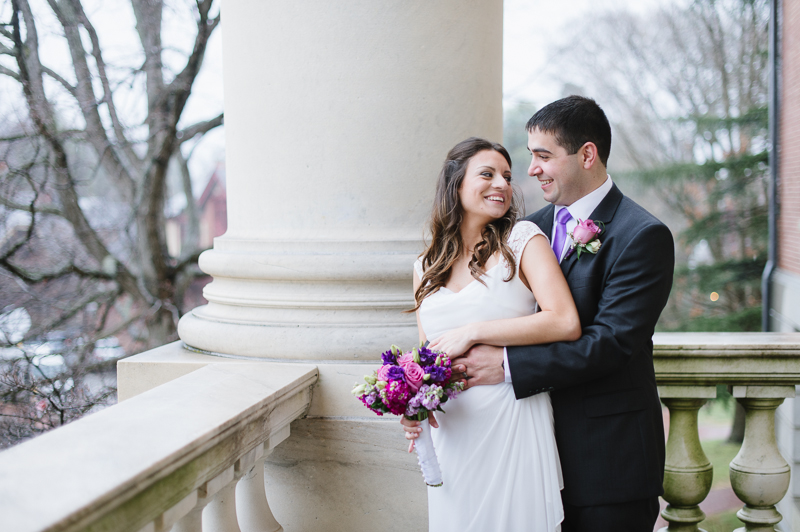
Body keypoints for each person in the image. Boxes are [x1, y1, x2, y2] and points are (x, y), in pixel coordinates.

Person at [406, 96, 675, 531]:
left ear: (587, 154)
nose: (531, 170)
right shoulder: (530, 228)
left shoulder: (641, 235)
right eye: (529, 157)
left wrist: (505, 364)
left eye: (543, 156)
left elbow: (609, 344)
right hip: (513, 444)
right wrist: (411, 395)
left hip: (605, 459)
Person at [406, 136, 582, 531]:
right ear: (455, 184)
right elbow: (426, 355)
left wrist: (474, 331)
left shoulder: (522, 240)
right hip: (453, 431)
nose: (501, 184)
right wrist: (412, 404)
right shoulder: (425, 264)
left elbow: (564, 321)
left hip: (511, 419)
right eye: (487, 174)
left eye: (506, 175)